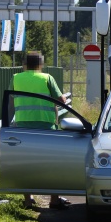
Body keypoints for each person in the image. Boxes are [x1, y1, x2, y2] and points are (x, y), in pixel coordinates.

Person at [9, 51, 71, 210]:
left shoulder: (16, 78)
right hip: (46, 125)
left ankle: (28, 200)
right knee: (52, 164)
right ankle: (54, 200)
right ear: (40, 64)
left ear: (25, 64)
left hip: (22, 125)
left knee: (26, 163)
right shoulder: (47, 78)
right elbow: (61, 100)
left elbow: (11, 97)